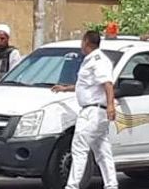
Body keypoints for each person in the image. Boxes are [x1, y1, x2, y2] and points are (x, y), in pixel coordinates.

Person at [52, 30, 118, 189]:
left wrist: (110, 105)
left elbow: (108, 84)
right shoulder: (91, 60)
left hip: (93, 111)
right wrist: (65, 88)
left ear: (86, 41)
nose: (81, 44)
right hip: (95, 111)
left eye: (82, 41)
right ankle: (111, 185)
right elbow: (86, 85)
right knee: (102, 150)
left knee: (79, 148)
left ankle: (72, 186)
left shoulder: (98, 60)